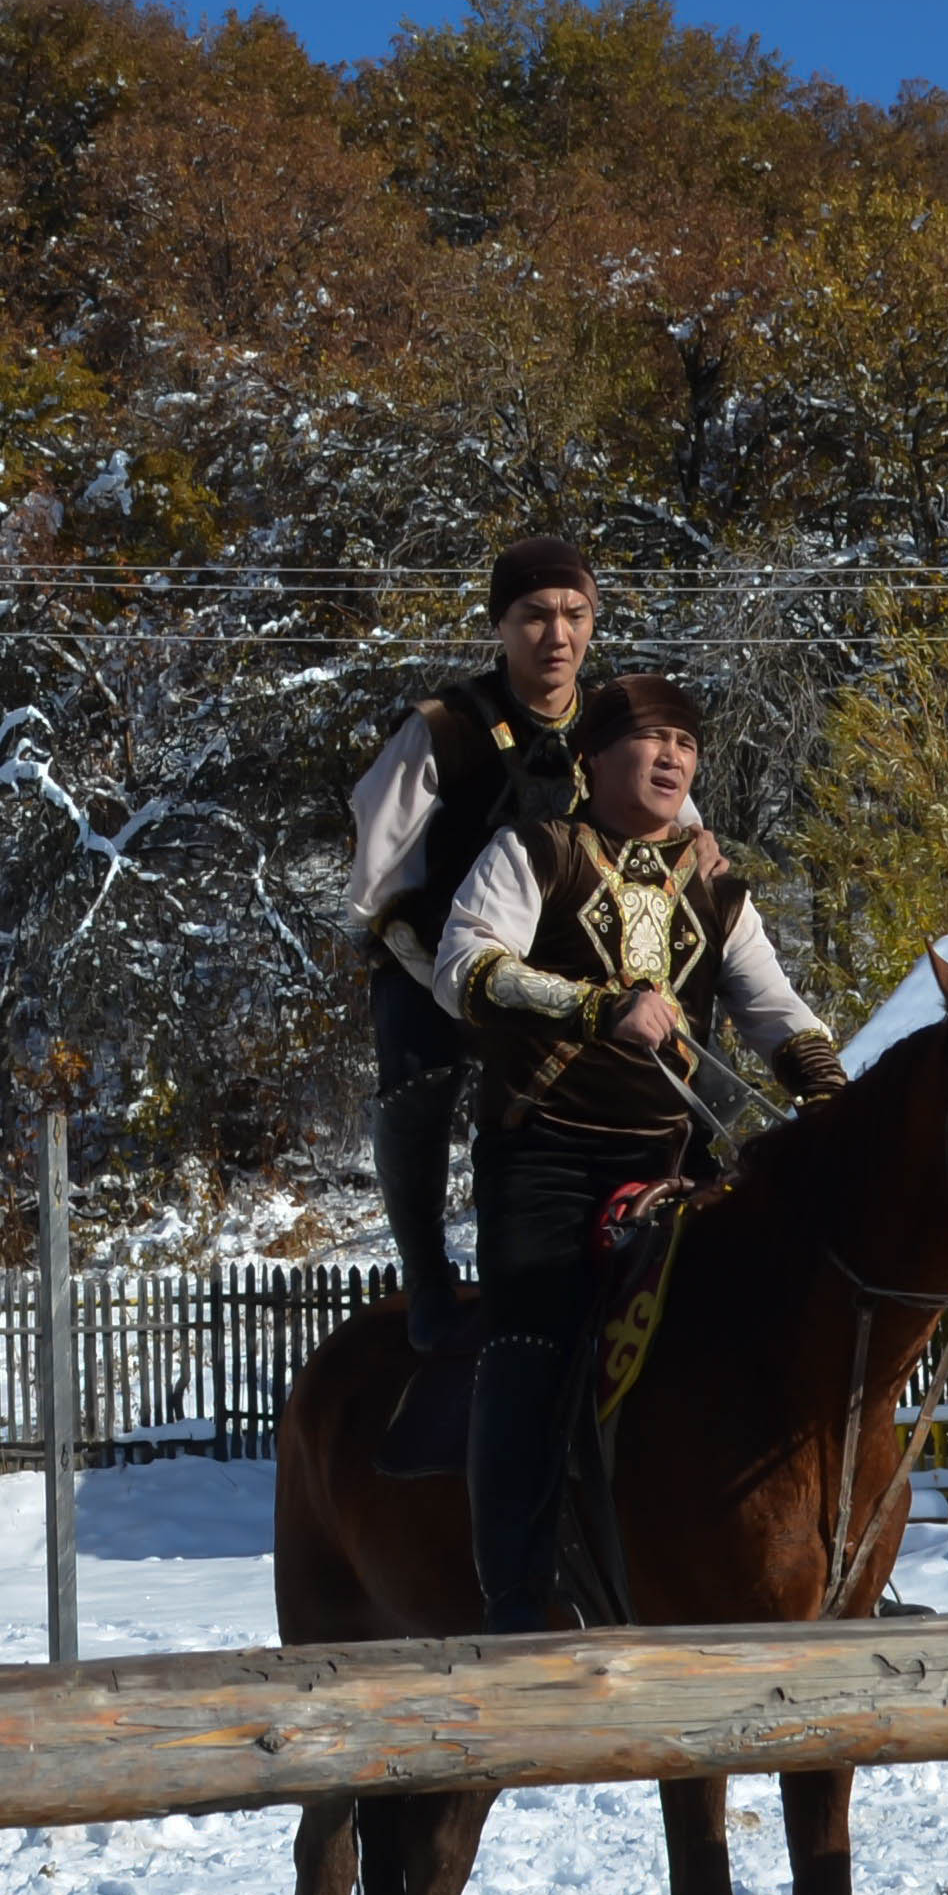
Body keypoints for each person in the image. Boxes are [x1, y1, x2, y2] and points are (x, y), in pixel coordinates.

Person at [434, 672, 846, 1632]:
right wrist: (594, 1005)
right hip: (542, 1157)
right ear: (593, 759)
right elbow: (466, 966)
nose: (671, 758)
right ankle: (517, 1594)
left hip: (672, 1164)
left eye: (686, 745)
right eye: (650, 740)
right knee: (534, 1343)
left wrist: (831, 1097)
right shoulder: (534, 853)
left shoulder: (716, 884)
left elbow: (774, 1008)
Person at [339, 536, 614, 1344]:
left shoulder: (616, 727)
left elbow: (670, 830)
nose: (556, 636)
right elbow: (376, 873)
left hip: (566, 970)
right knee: (421, 1079)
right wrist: (436, 965)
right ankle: (426, 1275)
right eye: (534, 616)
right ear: (500, 624)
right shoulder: (443, 727)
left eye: (574, 615)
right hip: (432, 958)